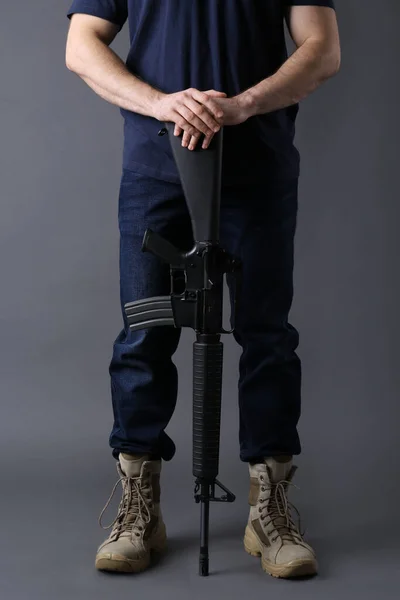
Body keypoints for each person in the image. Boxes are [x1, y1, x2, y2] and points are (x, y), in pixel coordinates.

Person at [65, 0, 340, 578]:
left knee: (267, 336)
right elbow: (81, 46)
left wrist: (241, 105)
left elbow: (321, 50)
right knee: (144, 332)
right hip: (154, 168)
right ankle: (140, 510)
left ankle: (271, 512)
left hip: (256, 167)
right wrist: (162, 104)